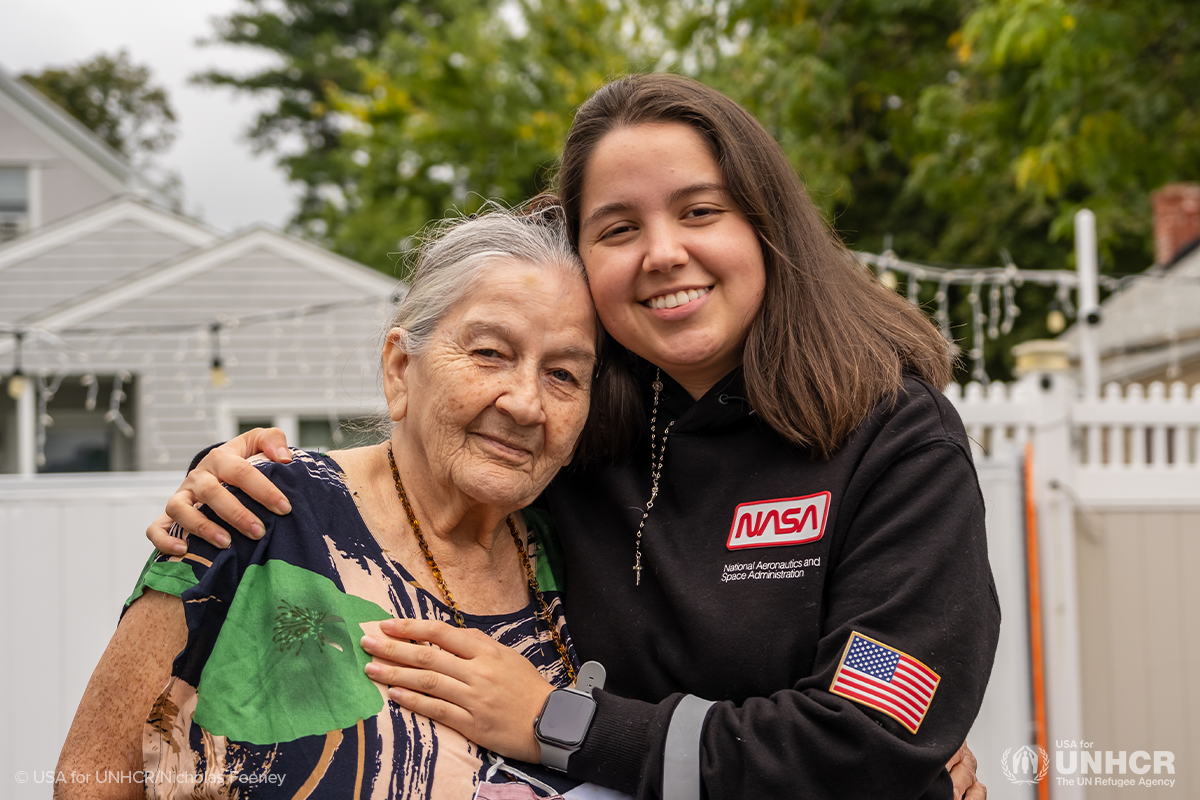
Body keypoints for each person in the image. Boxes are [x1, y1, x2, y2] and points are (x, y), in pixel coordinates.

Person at [148, 74, 1000, 799]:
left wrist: (560, 723)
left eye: (700, 210)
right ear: (584, 261)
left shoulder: (893, 441)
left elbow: (869, 741)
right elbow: (422, 465)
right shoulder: (576, 434)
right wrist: (233, 479)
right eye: (619, 228)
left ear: (766, 225)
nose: (663, 253)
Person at [57, 207, 608, 798]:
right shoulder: (252, 510)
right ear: (400, 369)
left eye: (563, 375)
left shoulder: (577, 553)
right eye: (490, 353)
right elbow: (92, 779)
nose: (526, 403)